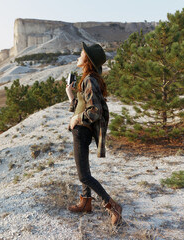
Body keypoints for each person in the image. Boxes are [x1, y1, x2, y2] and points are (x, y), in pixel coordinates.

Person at [65, 42, 122, 226]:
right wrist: (71, 96)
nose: (78, 55)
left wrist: (76, 119)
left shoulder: (89, 79)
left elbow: (95, 110)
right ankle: (86, 203)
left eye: (81, 53)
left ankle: (112, 206)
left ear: (87, 60)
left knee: (84, 176)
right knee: (84, 170)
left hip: (82, 130)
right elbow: (81, 106)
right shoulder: (87, 78)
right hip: (81, 130)